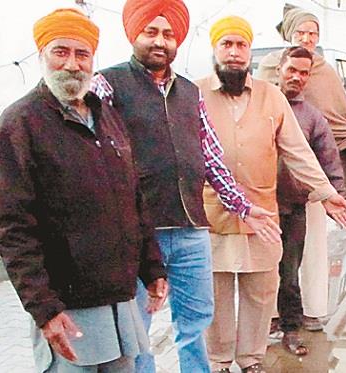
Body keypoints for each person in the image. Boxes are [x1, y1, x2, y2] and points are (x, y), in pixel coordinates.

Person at [90, 1, 281, 372]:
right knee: (139, 329)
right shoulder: (108, 84)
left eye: (168, 33)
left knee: (196, 324)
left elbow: (210, 157)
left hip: (192, 229)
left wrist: (242, 206)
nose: (160, 41)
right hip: (139, 233)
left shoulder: (190, 93)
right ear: (134, 35)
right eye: (151, 32)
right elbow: (92, 151)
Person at [0, 8, 168, 372]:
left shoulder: (106, 117)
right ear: (42, 54)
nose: (73, 64)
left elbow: (133, 198)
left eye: (82, 54)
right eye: (61, 52)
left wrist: (153, 268)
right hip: (68, 310)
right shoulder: (19, 125)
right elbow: (13, 228)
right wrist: (44, 309)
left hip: (120, 302)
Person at [195, 16, 346, 373]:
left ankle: (251, 360)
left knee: (260, 294)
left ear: (250, 52)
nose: (234, 53)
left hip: (263, 217)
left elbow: (299, 151)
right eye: (227, 45)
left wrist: (326, 192)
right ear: (216, 50)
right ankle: (220, 362)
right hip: (212, 216)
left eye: (241, 46)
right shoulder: (194, 94)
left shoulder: (271, 98)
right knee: (218, 297)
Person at [255, 6, 346, 330]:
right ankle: (272, 316)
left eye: (313, 33)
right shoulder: (268, 68)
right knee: (269, 252)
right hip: (269, 178)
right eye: (301, 33)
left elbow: (340, 126)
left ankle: (312, 311)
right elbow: (254, 116)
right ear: (289, 35)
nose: (307, 39)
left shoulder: (324, 73)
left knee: (311, 250)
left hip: (311, 182)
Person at [273, 46, 346, 355]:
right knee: (259, 274)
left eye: (304, 72)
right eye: (291, 69)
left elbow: (330, 163)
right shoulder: (260, 105)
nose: (296, 76)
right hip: (257, 208)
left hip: (294, 207)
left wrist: (338, 199)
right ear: (281, 68)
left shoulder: (312, 117)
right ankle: (260, 327)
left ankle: (291, 330)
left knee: (290, 272)